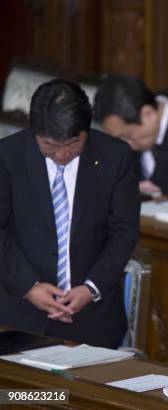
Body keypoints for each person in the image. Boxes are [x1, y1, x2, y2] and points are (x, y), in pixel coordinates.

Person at [0, 79, 140, 348]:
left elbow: (124, 231)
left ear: (88, 129)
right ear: (35, 131)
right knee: (23, 394)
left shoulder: (115, 156)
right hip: (18, 316)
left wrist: (92, 288)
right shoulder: (8, 157)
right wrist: (29, 286)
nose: (63, 155)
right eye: (51, 146)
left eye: (73, 144)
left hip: (93, 319)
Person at [93, 74, 168, 198]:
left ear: (148, 115)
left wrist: (166, 195)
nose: (125, 144)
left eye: (126, 136)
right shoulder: (126, 128)